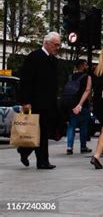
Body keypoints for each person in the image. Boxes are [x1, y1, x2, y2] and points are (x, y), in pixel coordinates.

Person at [17, 32, 62, 169]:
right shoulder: (34, 57)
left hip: (49, 103)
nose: (58, 47)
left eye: (59, 45)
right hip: (35, 102)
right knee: (38, 132)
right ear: (46, 43)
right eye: (56, 44)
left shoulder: (53, 60)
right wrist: (25, 101)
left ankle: (25, 151)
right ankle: (42, 161)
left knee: (44, 132)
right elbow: (25, 81)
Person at [65, 59, 92, 155]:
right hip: (82, 104)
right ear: (81, 66)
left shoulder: (70, 77)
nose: (87, 66)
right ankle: (83, 146)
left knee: (71, 126)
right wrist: (80, 104)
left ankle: (69, 147)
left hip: (71, 104)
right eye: (85, 65)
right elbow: (88, 90)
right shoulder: (87, 77)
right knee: (83, 126)